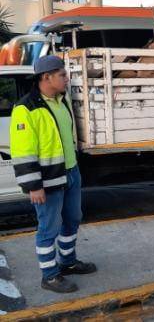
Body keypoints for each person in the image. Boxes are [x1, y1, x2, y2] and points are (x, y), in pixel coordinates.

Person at [10, 55, 96, 293]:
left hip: (70, 173)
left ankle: (67, 262)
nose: (67, 79)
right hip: (47, 181)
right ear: (46, 77)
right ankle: (49, 276)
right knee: (49, 227)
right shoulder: (26, 109)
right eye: (62, 75)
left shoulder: (62, 99)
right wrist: (33, 185)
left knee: (72, 219)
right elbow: (23, 152)